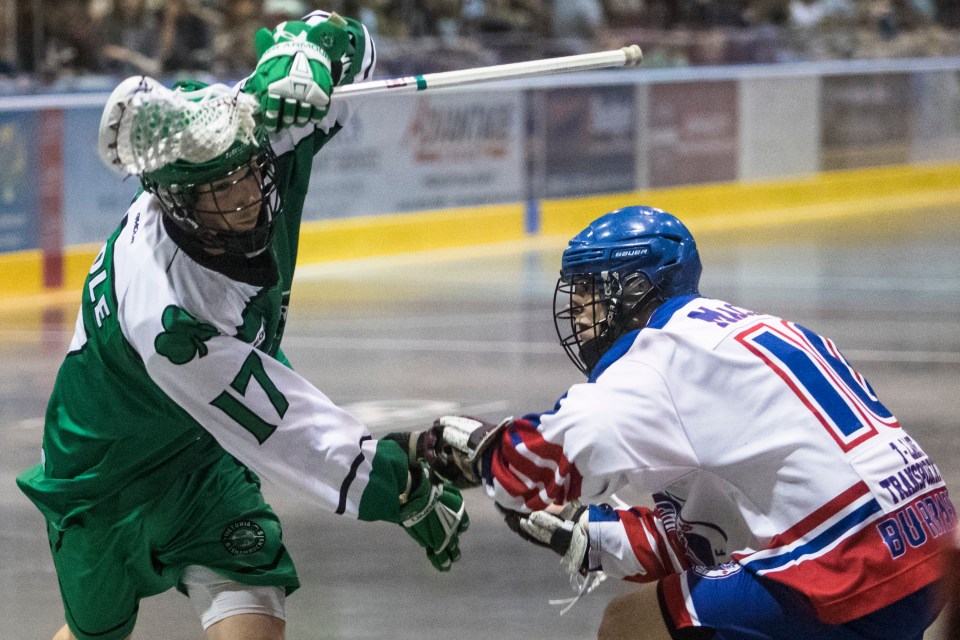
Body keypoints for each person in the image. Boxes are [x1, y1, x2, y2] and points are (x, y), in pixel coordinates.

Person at [17, 10, 468, 640]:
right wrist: (397, 488)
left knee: (256, 615)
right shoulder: (171, 320)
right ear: (176, 201)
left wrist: (304, 54)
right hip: (103, 479)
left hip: (203, 458)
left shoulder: (251, 142)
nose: (245, 199)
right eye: (218, 195)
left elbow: (347, 39)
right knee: (95, 635)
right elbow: (283, 425)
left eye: (246, 177)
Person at [395, 205, 956, 639]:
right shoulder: (738, 332)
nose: (579, 313)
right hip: (926, 544)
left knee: (628, 625)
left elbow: (546, 462)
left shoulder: (661, 351)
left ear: (637, 290)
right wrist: (587, 536)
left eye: (592, 291)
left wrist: (481, 451)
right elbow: (714, 536)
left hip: (850, 562)